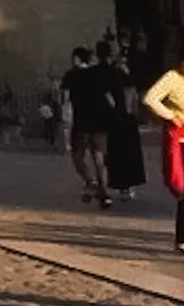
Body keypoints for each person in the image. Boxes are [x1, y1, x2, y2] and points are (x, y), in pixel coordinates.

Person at [143, 46, 184, 257]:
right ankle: (183, 238)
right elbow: (150, 98)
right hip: (181, 142)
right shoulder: (172, 78)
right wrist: (171, 116)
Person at [61, 45, 118, 208]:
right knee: (99, 159)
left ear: (76, 59)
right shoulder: (98, 74)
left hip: (82, 122)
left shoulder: (71, 75)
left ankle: (90, 181)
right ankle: (104, 194)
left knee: (77, 156)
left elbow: (64, 98)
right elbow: (110, 99)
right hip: (100, 122)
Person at [100, 42, 145, 198]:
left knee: (122, 153)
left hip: (121, 117)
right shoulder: (118, 75)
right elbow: (131, 95)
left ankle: (124, 185)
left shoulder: (116, 74)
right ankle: (125, 185)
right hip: (123, 117)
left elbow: (129, 95)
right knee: (123, 153)